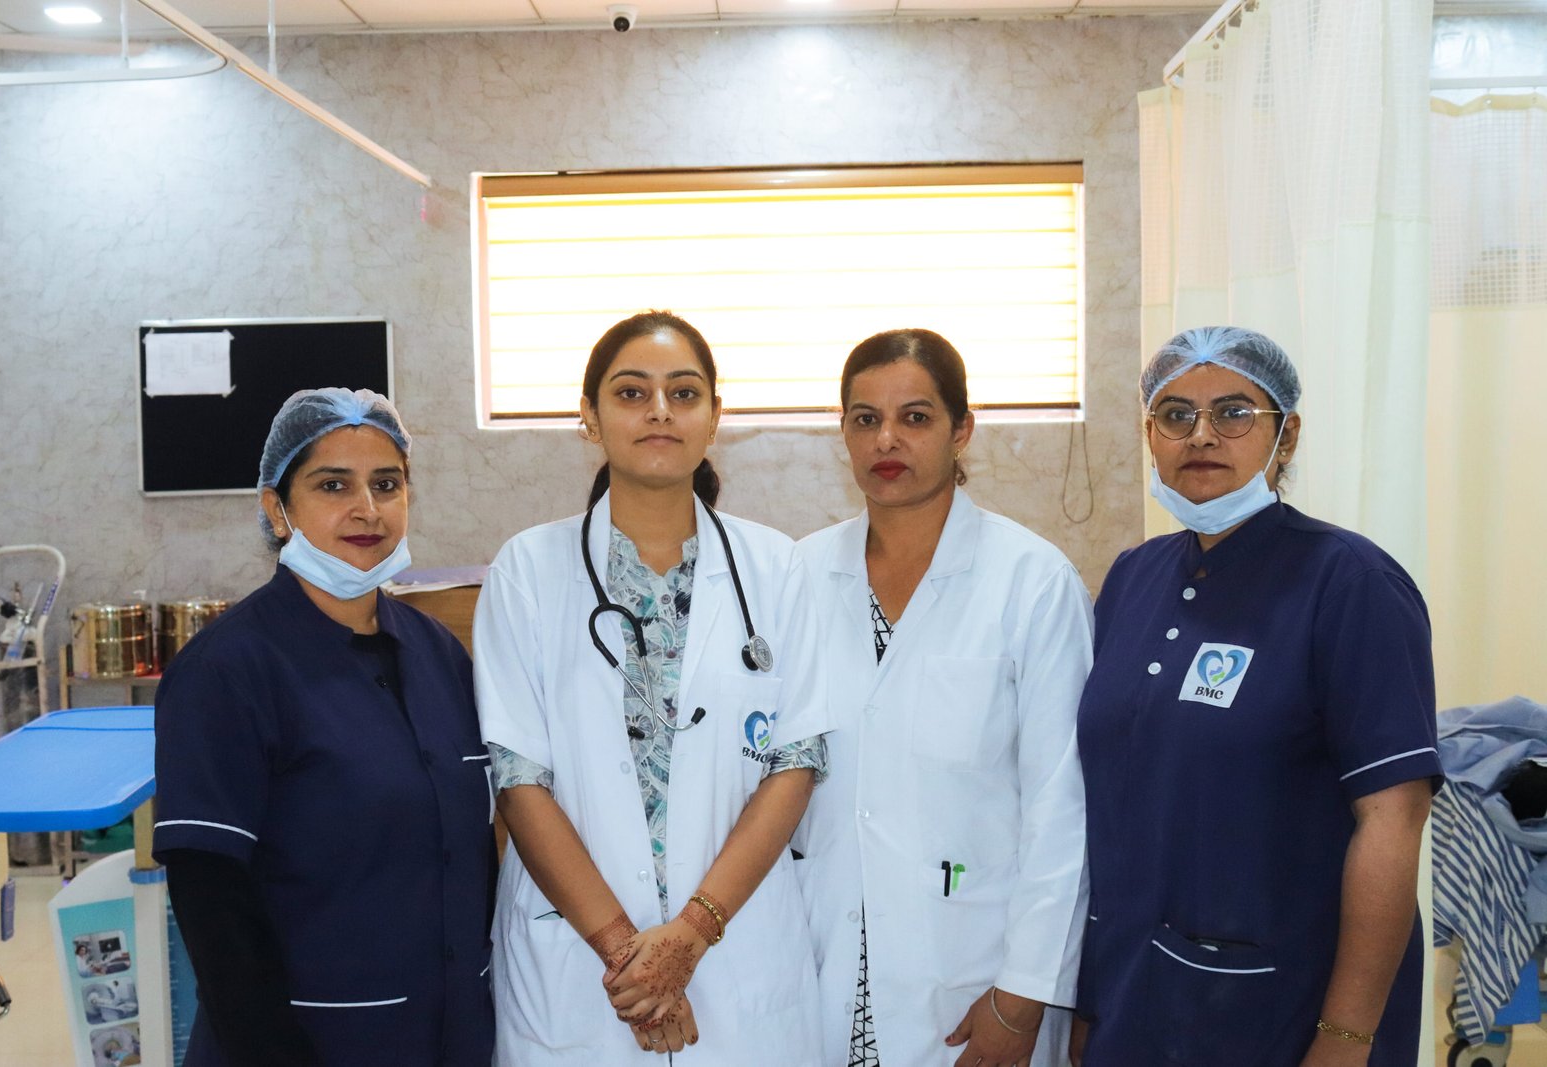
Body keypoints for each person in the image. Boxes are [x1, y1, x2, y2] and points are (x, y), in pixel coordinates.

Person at [1072, 327, 1440, 1066]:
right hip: (1133, 997)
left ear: (1286, 435)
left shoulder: (1351, 583)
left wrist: (1345, 1038)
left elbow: (1392, 823)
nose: (1201, 435)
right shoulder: (1133, 577)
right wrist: (1086, 1001)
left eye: (1233, 412)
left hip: (1283, 1010)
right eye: (1175, 414)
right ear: (1150, 436)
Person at [474, 310, 830, 1065]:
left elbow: (796, 763)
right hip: (581, 966)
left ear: (714, 418)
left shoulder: (776, 568)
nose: (660, 410)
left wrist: (691, 935)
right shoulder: (526, 570)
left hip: (736, 955)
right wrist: (630, 961)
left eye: (684, 392)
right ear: (589, 417)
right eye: (632, 392)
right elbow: (518, 779)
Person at [153, 388, 496, 1067]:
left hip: (452, 1034)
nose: (367, 508)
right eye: (333, 484)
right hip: (307, 1043)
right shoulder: (227, 669)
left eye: (386, 484)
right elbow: (211, 898)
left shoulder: (438, 654)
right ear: (276, 509)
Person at [794, 328, 1092, 1067]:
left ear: (961, 429)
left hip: (976, 974)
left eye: (916, 417)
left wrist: (1022, 996)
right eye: (865, 419)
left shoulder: (1031, 580)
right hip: (825, 961)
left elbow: (1062, 806)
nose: (886, 439)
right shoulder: (798, 576)